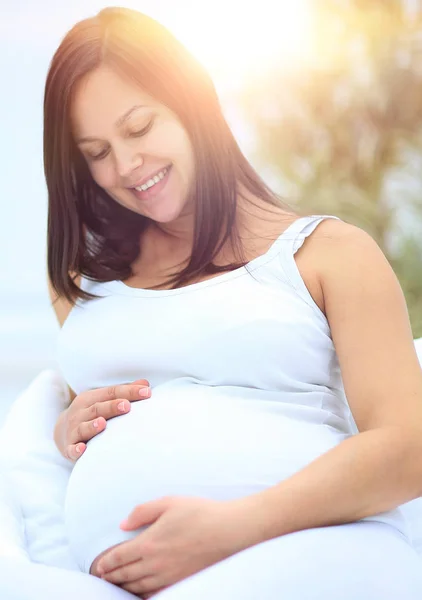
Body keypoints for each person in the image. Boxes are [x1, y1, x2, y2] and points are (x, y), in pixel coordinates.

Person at [15, 5, 422, 600]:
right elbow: (98, 417)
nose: (126, 167)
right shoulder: (83, 281)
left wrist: (230, 529)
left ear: (192, 103)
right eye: (96, 153)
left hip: (309, 553)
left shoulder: (330, 255)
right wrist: (66, 431)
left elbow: (409, 449)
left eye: (139, 127)